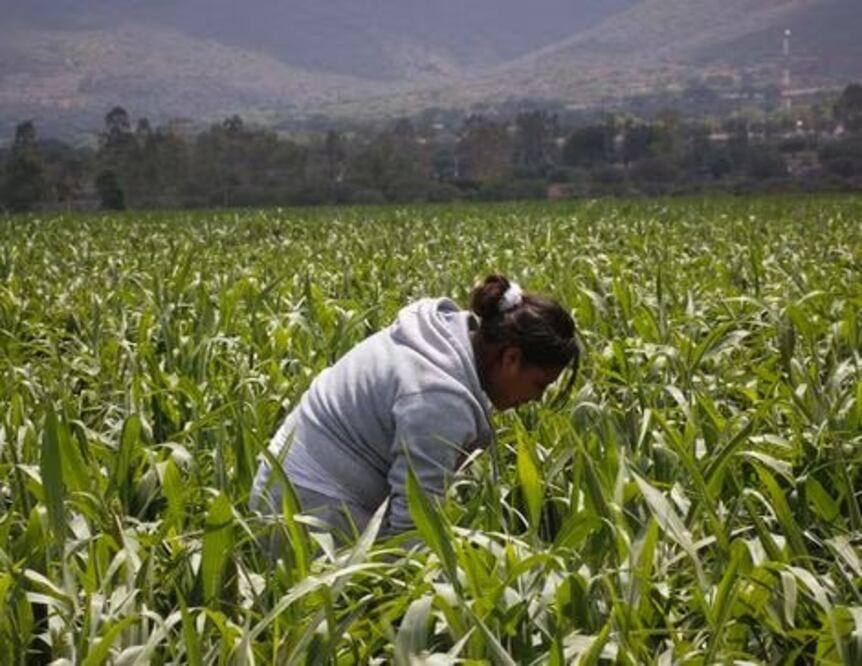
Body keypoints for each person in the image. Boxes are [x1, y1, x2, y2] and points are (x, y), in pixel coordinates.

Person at [251, 274, 579, 540]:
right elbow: (413, 527)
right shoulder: (437, 398)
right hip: (305, 510)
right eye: (539, 384)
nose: (536, 399)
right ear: (511, 358)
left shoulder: (442, 337)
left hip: (287, 486)